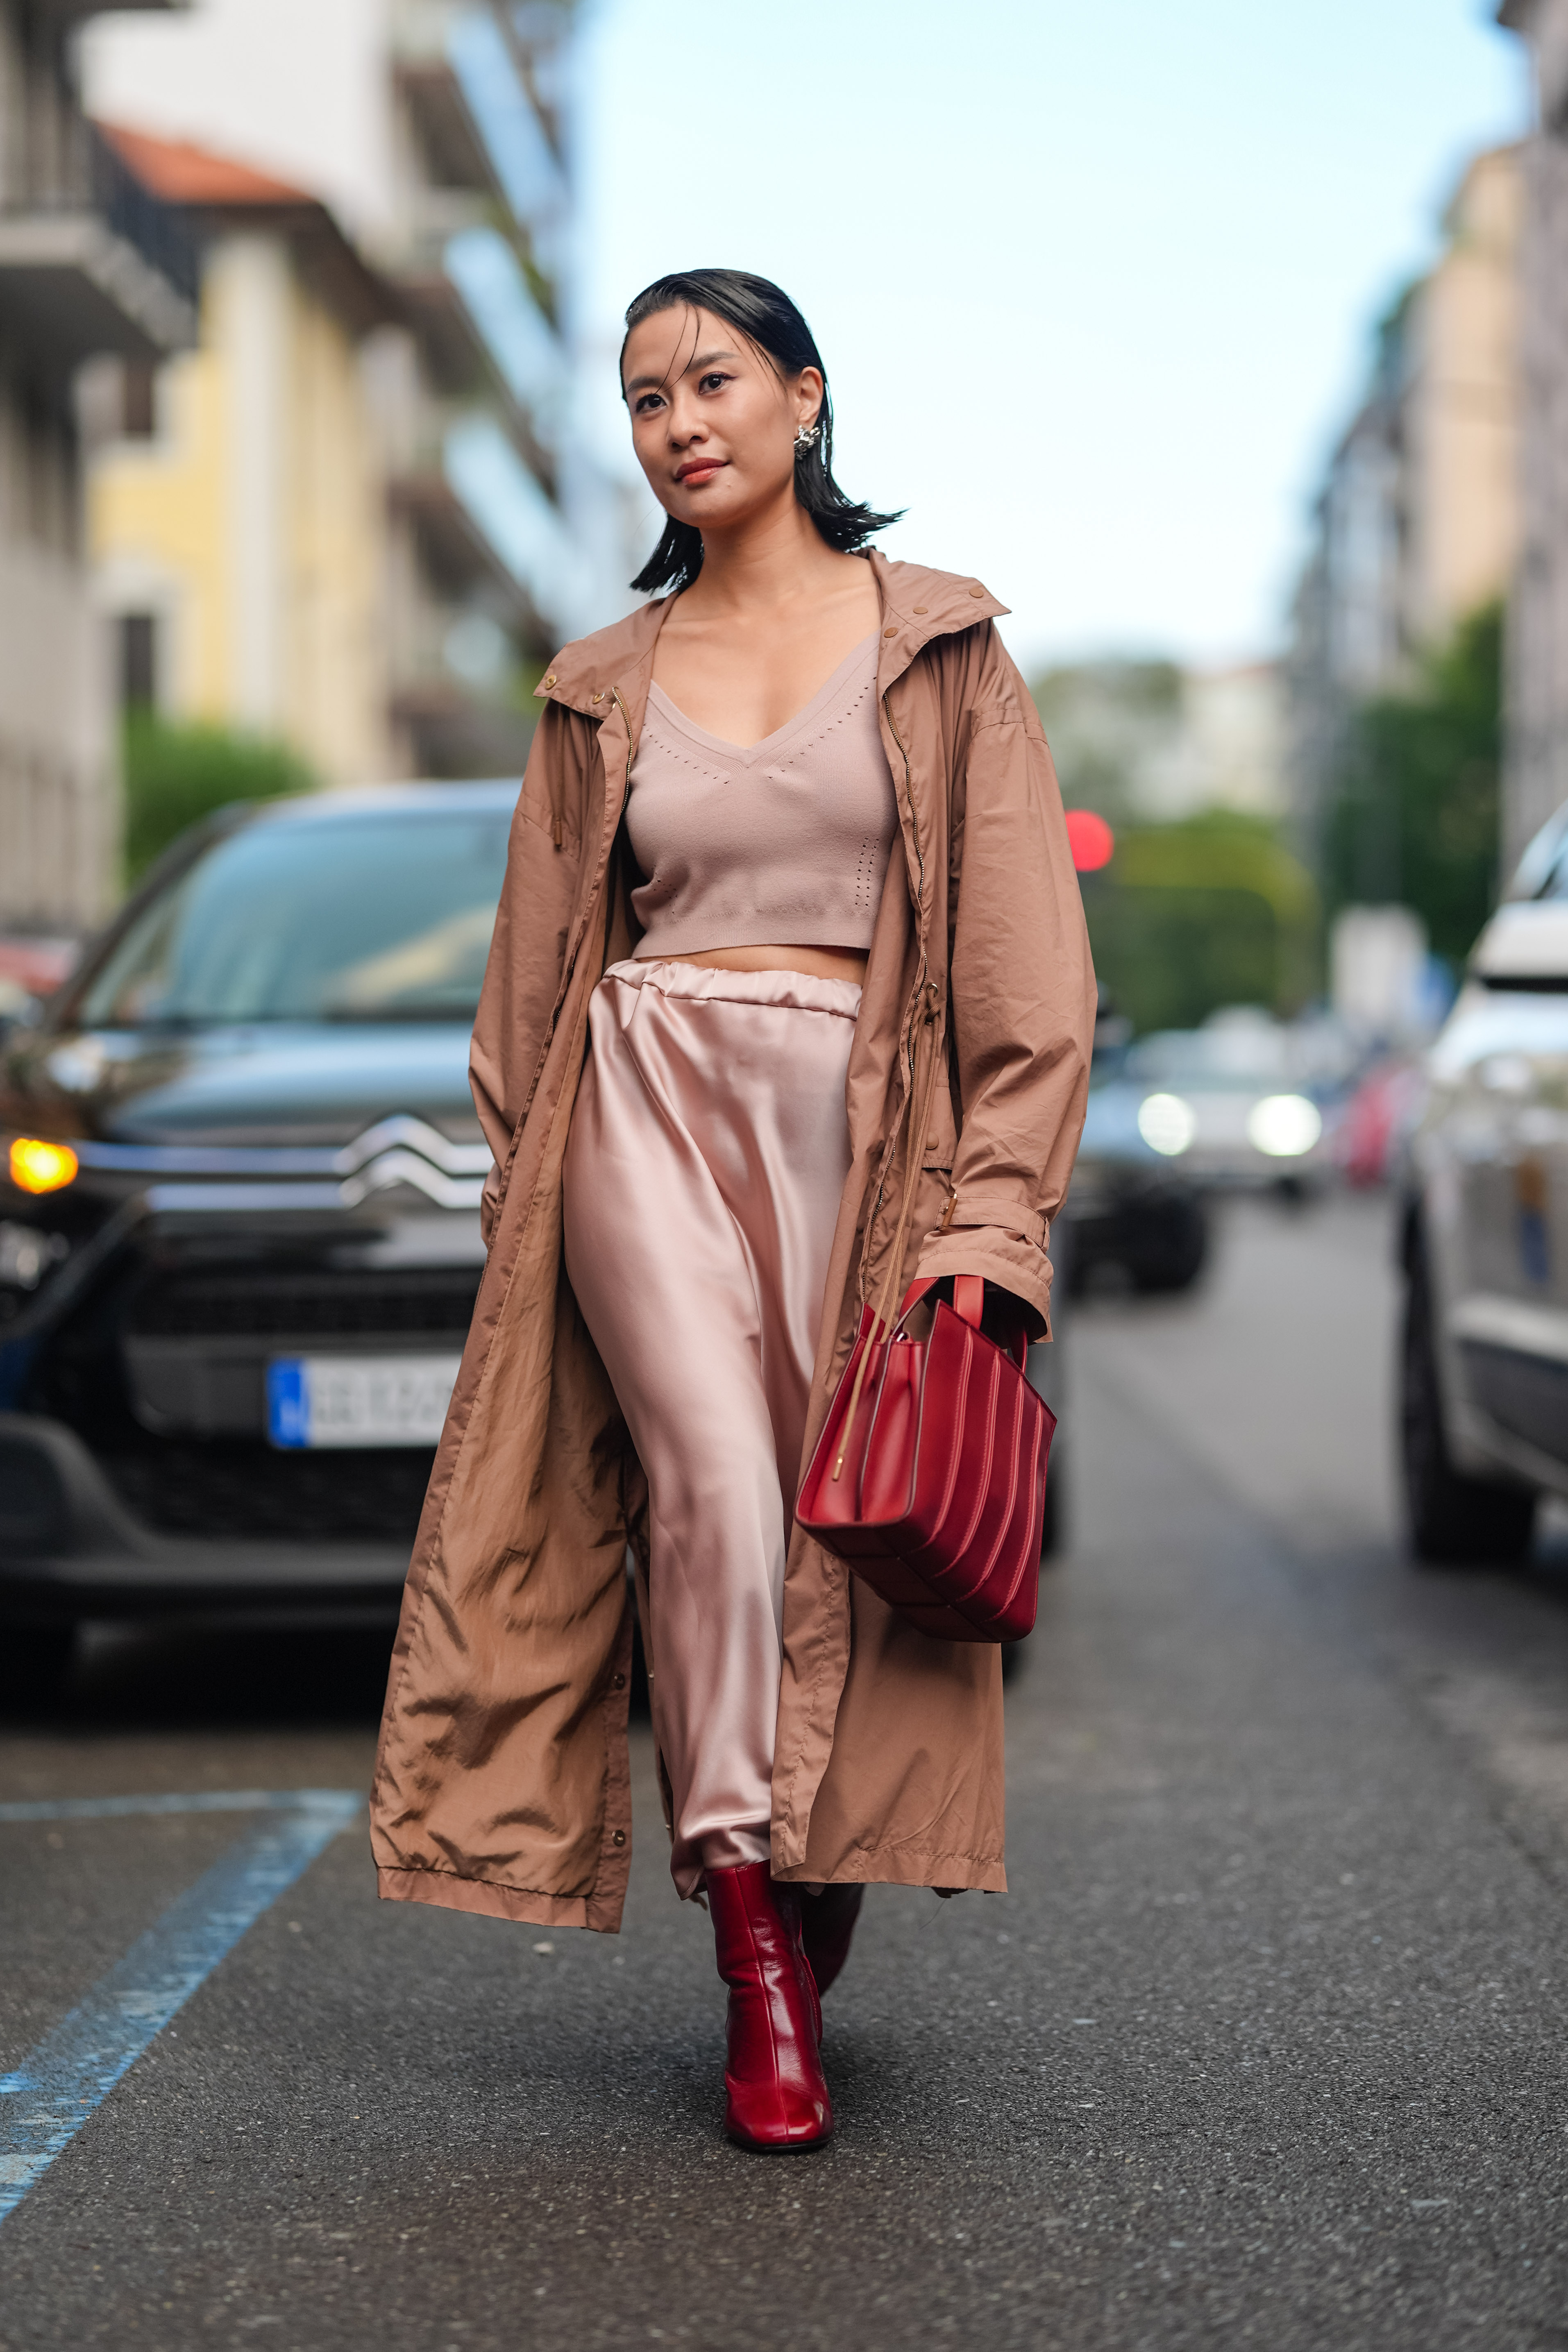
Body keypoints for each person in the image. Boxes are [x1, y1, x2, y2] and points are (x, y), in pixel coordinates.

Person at [369, 268, 1096, 2152]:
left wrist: (990, 1227)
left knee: (836, 1537)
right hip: (645, 1101)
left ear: (804, 396)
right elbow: (533, 986)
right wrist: (535, 1208)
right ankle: (757, 1956)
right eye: (642, 398)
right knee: (708, 1492)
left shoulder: (942, 649)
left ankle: (807, 1870)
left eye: (712, 380)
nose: (679, 421)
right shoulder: (596, 684)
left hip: (868, 1128)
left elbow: (1028, 985)